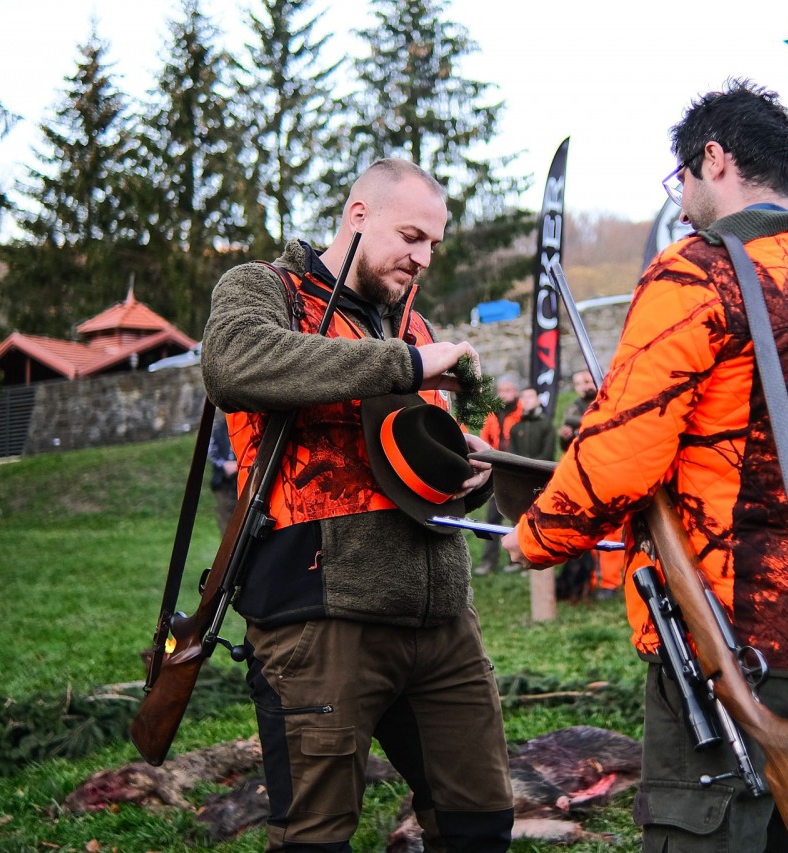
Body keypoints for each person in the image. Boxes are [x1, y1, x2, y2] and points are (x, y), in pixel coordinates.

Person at [502, 80, 788, 851]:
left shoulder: (698, 273)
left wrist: (535, 537)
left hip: (731, 643)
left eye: (681, 177)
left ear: (713, 159)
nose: (683, 202)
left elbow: (619, 459)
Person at [201, 157, 513, 851]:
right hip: (319, 617)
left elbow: (423, 451)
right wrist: (406, 364)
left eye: (433, 243)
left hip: (441, 621)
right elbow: (232, 364)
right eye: (411, 236)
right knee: (314, 839)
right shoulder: (265, 287)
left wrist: (470, 471)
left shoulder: (415, 325)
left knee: (480, 823)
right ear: (358, 215)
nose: (423, 257)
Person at [475, 375, 522, 574]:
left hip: (517, 472)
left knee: (518, 519)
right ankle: (489, 561)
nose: (504, 394)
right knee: (492, 518)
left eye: (508, 390)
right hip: (497, 471)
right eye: (501, 390)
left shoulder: (522, 413)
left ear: (516, 392)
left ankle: (517, 560)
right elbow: (484, 439)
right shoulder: (492, 413)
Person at [207, 409, 239, 534]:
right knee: (224, 518)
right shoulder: (219, 430)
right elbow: (212, 452)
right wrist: (224, 465)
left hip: (241, 481)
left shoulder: (244, 428)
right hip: (223, 482)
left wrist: (239, 465)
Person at [507, 386, 556, 463]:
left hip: (541, 468)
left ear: (538, 400)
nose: (526, 400)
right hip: (519, 468)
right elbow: (512, 453)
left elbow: (548, 453)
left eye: (530, 396)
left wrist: (531, 465)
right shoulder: (515, 425)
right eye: (523, 397)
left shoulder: (546, 423)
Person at [557, 368, 597, 451]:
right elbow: (566, 447)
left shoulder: (605, 402)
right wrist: (566, 437)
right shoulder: (572, 409)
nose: (583, 387)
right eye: (577, 384)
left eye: (587, 382)